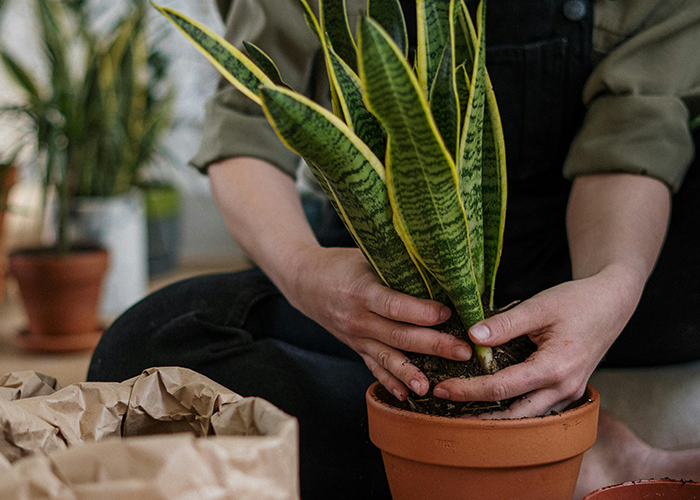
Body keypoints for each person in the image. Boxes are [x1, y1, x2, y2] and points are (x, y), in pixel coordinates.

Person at [88, 0, 700, 498]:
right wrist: (303, 271)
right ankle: (570, 457)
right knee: (146, 346)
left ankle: (470, 455)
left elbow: (634, 136)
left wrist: (613, 284)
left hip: (593, 257)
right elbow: (249, 128)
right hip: (391, 280)